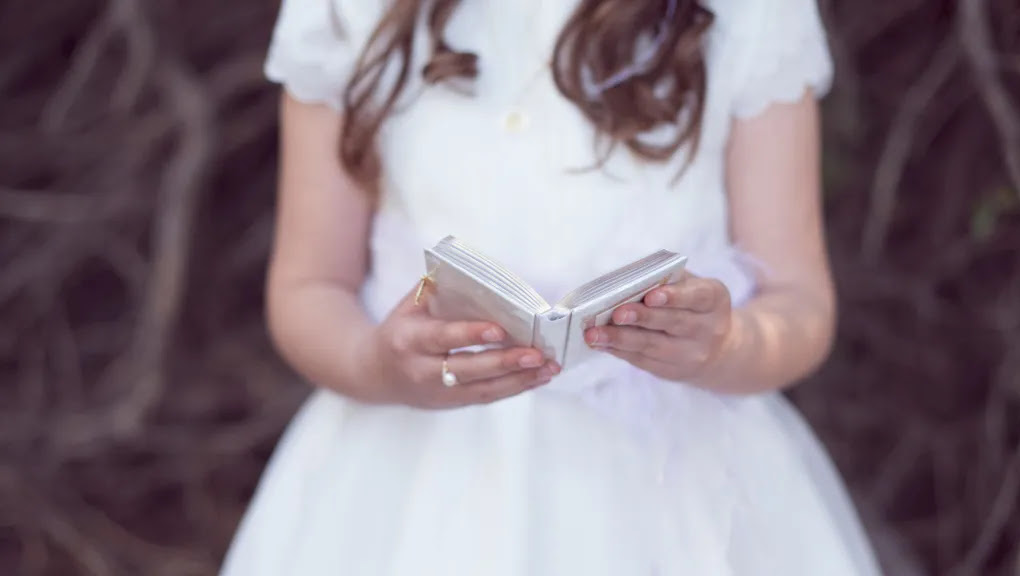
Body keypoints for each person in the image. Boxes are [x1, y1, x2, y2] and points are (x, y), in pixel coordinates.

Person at [221, 0, 882, 574]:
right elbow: (309, 286)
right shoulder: (349, 11)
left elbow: (801, 303)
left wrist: (726, 345)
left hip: (676, 488)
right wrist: (376, 363)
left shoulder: (746, 11)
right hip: (410, 471)